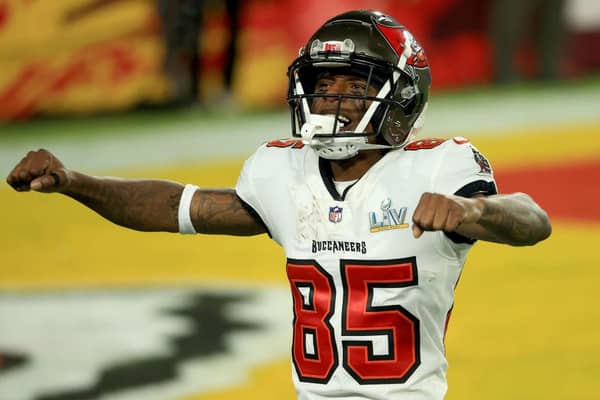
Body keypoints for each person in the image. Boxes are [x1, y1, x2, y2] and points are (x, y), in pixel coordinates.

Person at [6, 10, 551, 400]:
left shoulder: (438, 168)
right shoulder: (281, 171)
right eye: (322, 84)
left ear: (401, 99)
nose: (330, 99)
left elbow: (532, 220)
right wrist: (75, 181)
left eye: (352, 86)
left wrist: (477, 213)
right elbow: (176, 207)